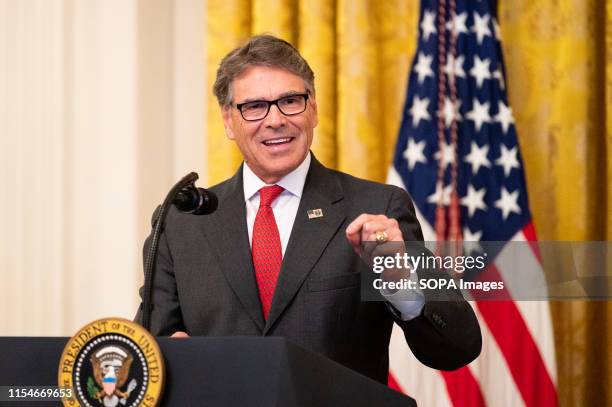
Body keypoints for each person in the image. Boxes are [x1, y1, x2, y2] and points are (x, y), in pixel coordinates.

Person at [136, 34, 481, 384]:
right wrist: (166, 353)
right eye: (254, 106)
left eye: (290, 100)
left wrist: (400, 278)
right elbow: (150, 350)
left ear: (312, 108)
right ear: (228, 120)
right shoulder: (180, 223)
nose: (275, 120)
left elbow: (457, 348)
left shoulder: (378, 208)